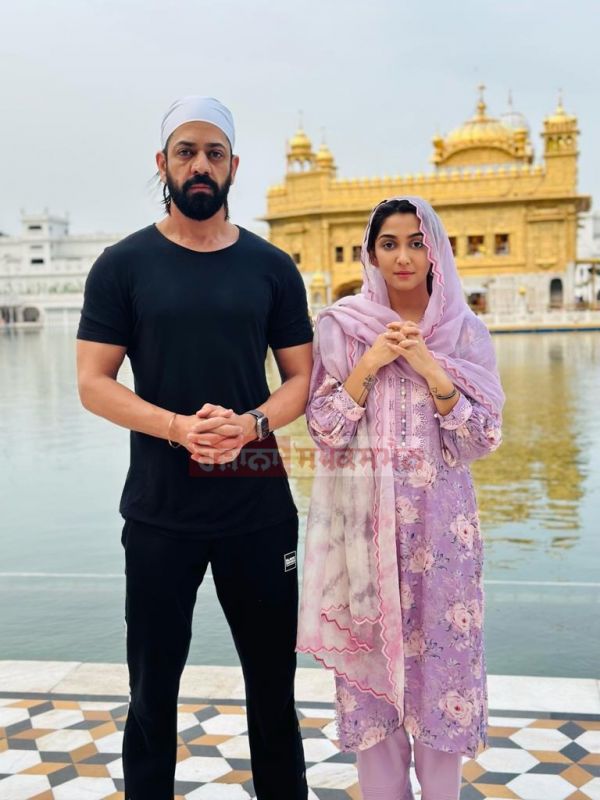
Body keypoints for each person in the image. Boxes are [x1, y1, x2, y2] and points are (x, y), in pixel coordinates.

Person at [76, 95, 312, 800]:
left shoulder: (272, 267)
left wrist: (252, 425)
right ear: (163, 163)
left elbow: (302, 379)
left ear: (234, 165)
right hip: (160, 508)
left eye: (214, 152)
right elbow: (93, 383)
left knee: (273, 692)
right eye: (186, 152)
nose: (200, 165)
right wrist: (179, 428)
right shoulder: (123, 265)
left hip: (259, 504)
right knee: (151, 694)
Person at [297, 196, 504, 800]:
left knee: (443, 682)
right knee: (374, 693)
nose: (404, 256)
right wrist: (370, 365)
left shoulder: (465, 333)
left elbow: (481, 438)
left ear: (435, 250)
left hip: (441, 541)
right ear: (372, 253)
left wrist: (431, 369)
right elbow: (325, 430)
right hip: (364, 542)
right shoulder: (344, 330)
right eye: (389, 243)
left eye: (417, 242)